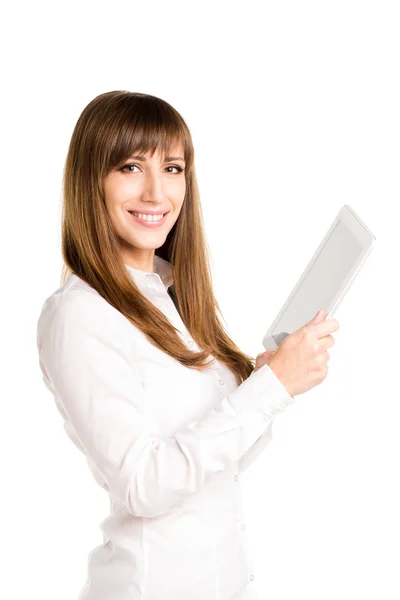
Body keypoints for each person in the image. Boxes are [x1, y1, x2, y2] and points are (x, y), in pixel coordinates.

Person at [36, 90, 339, 600]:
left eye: (172, 168)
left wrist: (268, 384)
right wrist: (267, 391)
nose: (157, 193)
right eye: (131, 167)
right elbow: (143, 486)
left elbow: (217, 470)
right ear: (93, 181)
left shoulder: (168, 291)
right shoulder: (79, 315)